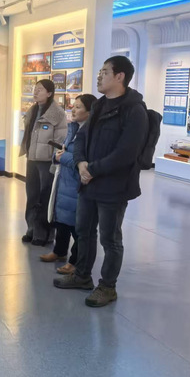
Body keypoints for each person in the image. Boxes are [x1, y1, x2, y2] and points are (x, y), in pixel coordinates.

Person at [54, 56, 149, 307]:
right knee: (84, 231)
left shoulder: (134, 111)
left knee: (110, 239)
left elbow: (126, 153)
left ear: (120, 76)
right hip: (89, 183)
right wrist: (81, 163)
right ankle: (82, 276)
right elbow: (82, 138)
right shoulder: (99, 106)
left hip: (114, 187)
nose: (99, 76)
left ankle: (107, 286)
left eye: (105, 72)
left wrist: (92, 169)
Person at [40, 94, 97, 274]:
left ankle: (75, 261)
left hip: (78, 184)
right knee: (62, 220)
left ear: (89, 112)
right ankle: (59, 251)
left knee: (76, 225)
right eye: (74, 106)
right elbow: (63, 151)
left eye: (78, 107)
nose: (73, 110)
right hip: (64, 181)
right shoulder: (73, 128)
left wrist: (62, 157)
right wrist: (57, 156)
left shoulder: (92, 133)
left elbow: (84, 162)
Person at [20, 79, 68, 246]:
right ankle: (31, 229)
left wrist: (55, 161)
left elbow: (60, 140)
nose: (36, 92)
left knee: (45, 197)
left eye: (40, 89)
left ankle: (44, 234)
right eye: (35, 88)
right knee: (32, 196)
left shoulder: (57, 113)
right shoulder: (32, 110)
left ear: (49, 93)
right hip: (32, 159)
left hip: (47, 161)